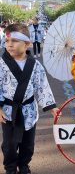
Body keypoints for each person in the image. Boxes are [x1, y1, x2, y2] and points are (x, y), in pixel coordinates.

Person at [0, 24, 60, 174]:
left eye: (15, 41)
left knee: (28, 144)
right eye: (7, 41)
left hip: (29, 111)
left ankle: (24, 165)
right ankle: (11, 168)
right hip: (8, 112)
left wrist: (50, 105)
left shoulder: (35, 65)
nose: (10, 44)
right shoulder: (1, 65)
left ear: (27, 43)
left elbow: (42, 86)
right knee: (9, 145)